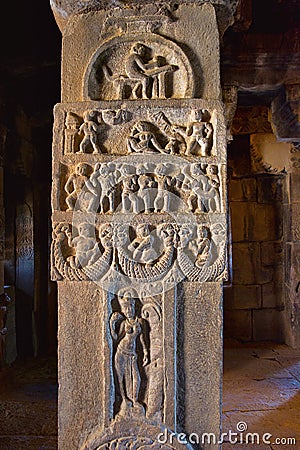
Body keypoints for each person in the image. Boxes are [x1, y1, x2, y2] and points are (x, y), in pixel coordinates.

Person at [110, 290, 148, 415]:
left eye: (130, 307)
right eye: (125, 309)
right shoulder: (123, 323)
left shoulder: (140, 322)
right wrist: (111, 324)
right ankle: (124, 399)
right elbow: (116, 338)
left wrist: (146, 353)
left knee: (136, 378)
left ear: (134, 306)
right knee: (120, 377)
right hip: (121, 351)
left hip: (132, 354)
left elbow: (143, 340)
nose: (128, 311)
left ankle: (135, 399)